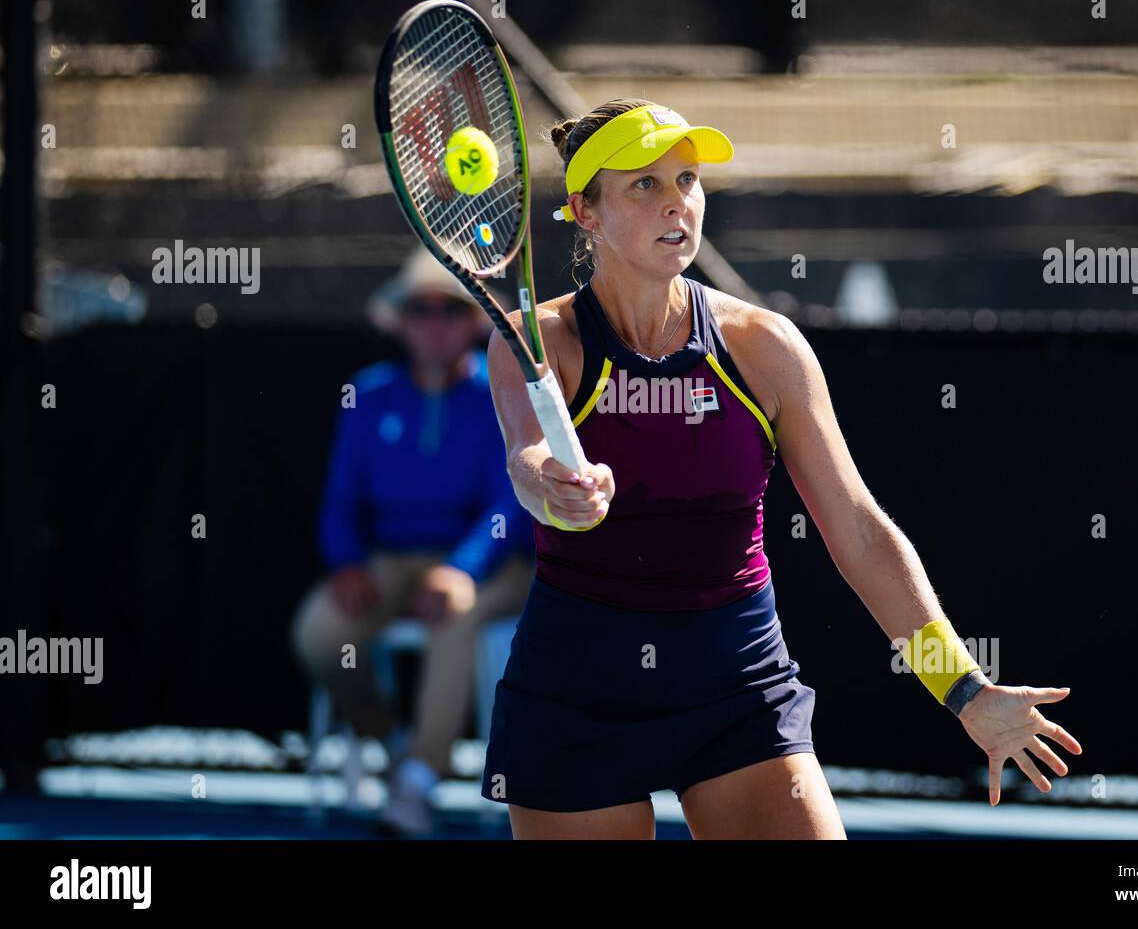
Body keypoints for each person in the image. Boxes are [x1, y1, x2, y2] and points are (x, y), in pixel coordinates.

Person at [479, 99, 1083, 839]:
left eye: (689, 180)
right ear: (586, 211)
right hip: (576, 689)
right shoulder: (538, 340)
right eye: (644, 184)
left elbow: (858, 531)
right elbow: (526, 455)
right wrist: (555, 489)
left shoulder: (765, 346)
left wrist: (962, 687)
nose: (677, 202)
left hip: (735, 686)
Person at [292, 247, 534, 837]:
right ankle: (398, 746)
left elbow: (512, 506)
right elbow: (340, 502)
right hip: (391, 562)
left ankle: (419, 783)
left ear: (472, 323)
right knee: (319, 635)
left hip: (492, 567)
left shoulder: (501, 392)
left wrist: (461, 570)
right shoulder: (368, 396)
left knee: (454, 613)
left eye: (448, 310)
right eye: (420, 310)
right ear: (402, 321)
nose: (433, 323)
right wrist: (347, 561)